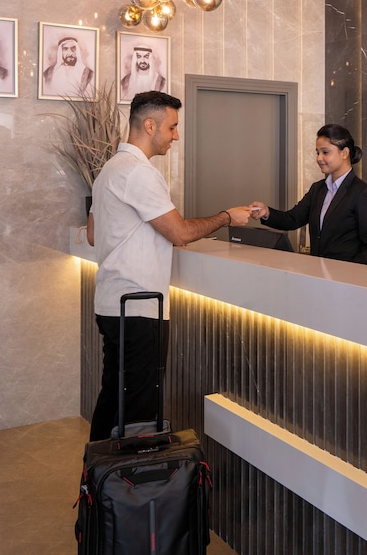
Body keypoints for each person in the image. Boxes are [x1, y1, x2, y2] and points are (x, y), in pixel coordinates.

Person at [86, 89, 252, 441]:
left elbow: (92, 234)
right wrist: (226, 217)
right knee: (138, 412)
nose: (176, 136)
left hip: (112, 305)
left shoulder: (109, 170)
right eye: (172, 127)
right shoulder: (138, 173)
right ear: (150, 125)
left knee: (114, 399)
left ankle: (97, 474)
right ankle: (129, 476)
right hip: (138, 308)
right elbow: (180, 233)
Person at [249, 124, 367, 265]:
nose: (319, 158)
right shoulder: (318, 189)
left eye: (325, 152)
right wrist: (266, 212)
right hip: (317, 273)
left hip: (345, 276)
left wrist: (348, 272)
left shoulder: (363, 193)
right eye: (317, 152)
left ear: (344, 153)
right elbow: (293, 219)